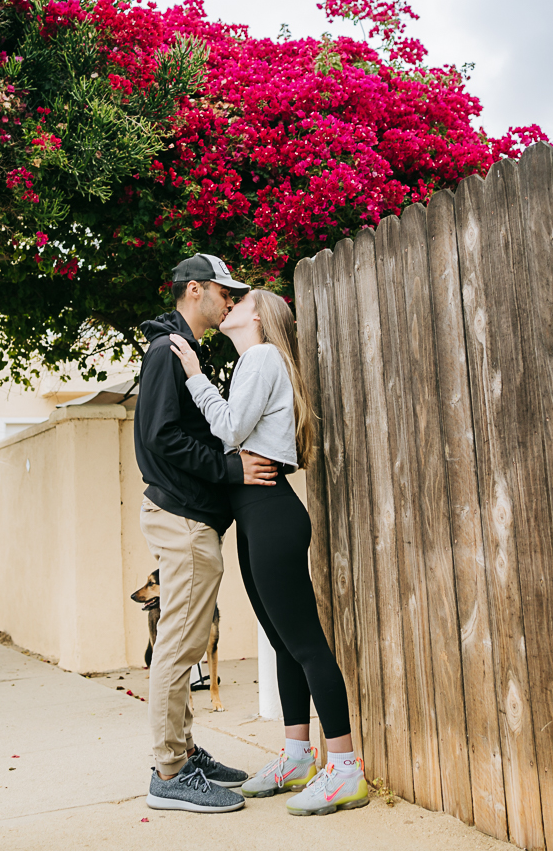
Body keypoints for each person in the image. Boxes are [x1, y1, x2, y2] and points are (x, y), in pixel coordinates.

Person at [170, 287, 369, 817]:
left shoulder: (260, 356)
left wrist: (194, 378)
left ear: (257, 314)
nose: (227, 302)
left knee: (306, 645)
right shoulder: (256, 362)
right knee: (282, 644)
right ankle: (298, 758)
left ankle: (346, 770)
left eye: (239, 299)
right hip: (258, 512)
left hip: (271, 512)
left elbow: (232, 430)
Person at [134, 253, 280, 813]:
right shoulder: (167, 354)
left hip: (189, 516)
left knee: (186, 640)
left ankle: (184, 753)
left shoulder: (184, 352)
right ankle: (169, 771)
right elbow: (161, 438)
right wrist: (230, 469)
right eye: (225, 292)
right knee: (179, 645)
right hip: (183, 518)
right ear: (195, 290)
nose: (231, 301)